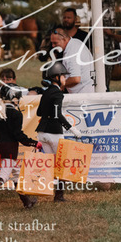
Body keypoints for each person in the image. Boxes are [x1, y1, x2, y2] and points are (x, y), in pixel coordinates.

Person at [0, 84, 39, 212]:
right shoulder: (16, 114)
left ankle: (27, 202)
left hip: (0, 148)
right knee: (4, 175)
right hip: (10, 149)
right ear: (13, 98)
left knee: (16, 173)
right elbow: (18, 135)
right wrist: (33, 143)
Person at [35, 63, 82, 202]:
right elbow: (57, 115)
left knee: (50, 164)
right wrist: (72, 128)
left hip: (42, 133)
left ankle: (40, 190)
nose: (65, 79)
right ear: (56, 77)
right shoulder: (57, 93)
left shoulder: (46, 92)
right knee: (62, 163)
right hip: (54, 132)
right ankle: (59, 195)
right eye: (63, 76)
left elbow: (39, 112)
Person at [49, 27, 94, 94]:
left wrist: (61, 86)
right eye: (52, 43)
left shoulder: (72, 51)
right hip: (86, 91)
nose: (53, 46)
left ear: (64, 39)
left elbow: (75, 79)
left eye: (55, 43)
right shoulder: (74, 43)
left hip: (84, 93)